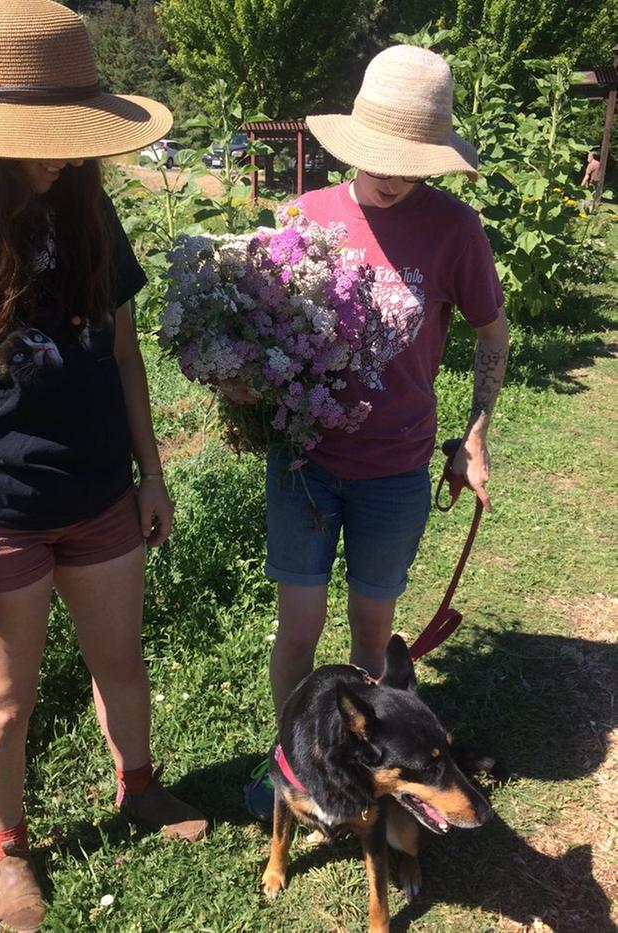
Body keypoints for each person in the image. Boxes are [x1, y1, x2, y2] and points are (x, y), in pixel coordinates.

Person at [0, 1, 207, 930]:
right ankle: (10, 855)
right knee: (4, 701)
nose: (67, 155)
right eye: (48, 138)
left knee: (121, 662)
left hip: (100, 492)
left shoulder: (84, 200)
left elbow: (123, 354)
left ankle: (139, 787)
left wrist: (152, 473)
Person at [237, 44, 510, 820]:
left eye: (411, 162)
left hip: (395, 469)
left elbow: (494, 336)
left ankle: (360, 776)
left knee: (372, 631)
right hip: (305, 466)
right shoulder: (305, 216)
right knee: (298, 628)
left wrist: (475, 432)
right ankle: (289, 763)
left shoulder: (456, 230)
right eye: (379, 156)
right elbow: (263, 331)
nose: (392, 175)